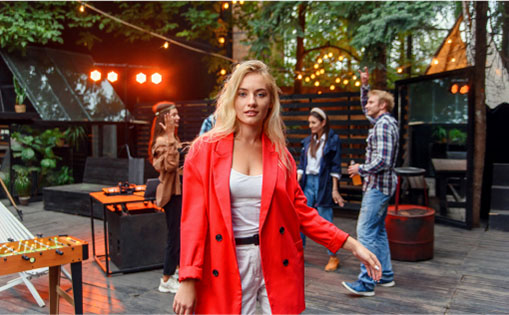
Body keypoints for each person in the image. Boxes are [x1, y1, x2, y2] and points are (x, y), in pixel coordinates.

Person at [173, 60, 382, 314]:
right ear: (233, 99)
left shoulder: (280, 155)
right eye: (243, 93)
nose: (251, 102)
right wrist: (187, 277)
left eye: (260, 94)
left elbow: (302, 212)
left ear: (270, 102)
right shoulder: (204, 149)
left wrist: (352, 244)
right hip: (224, 260)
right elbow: (193, 220)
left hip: (276, 257)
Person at [343, 67, 399, 297]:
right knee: (377, 232)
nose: (367, 105)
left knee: (364, 232)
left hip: (377, 187)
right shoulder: (383, 121)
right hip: (380, 187)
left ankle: (366, 282)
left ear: (382, 106)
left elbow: (383, 161)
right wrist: (364, 85)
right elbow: (365, 107)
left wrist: (360, 168)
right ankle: (385, 275)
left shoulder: (384, 125)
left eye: (371, 101)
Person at [297, 107, 345, 272]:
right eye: (309, 122)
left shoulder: (333, 140)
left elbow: (335, 167)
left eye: (313, 122)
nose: (310, 126)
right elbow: (302, 167)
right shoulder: (306, 142)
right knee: (301, 218)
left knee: (325, 220)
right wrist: (295, 185)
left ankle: (333, 256)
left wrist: (335, 189)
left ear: (323, 123)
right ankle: (298, 253)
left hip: (323, 183)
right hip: (307, 183)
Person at [148, 101, 182, 294]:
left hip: (180, 193)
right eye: (174, 114)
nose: (178, 118)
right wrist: (169, 136)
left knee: (179, 235)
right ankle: (166, 279)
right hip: (172, 195)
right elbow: (169, 166)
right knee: (173, 236)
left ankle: (176, 271)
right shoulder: (163, 141)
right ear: (165, 118)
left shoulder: (172, 139)